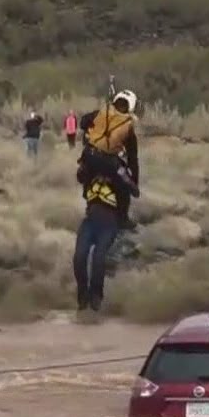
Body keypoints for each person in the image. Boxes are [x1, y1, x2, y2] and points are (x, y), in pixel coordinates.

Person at [72, 88, 141, 312]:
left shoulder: (101, 112)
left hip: (91, 164)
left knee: (82, 257)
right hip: (101, 219)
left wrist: (91, 133)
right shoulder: (128, 129)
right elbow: (134, 159)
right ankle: (92, 299)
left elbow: (83, 122)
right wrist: (134, 183)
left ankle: (86, 298)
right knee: (96, 257)